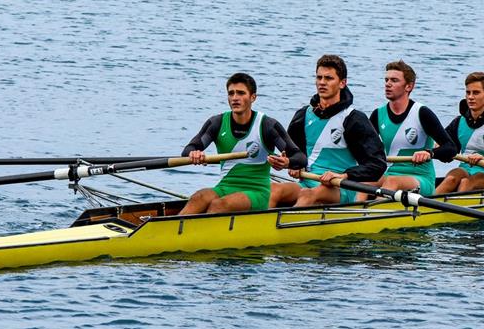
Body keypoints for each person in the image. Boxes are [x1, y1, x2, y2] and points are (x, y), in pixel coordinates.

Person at [179, 72, 307, 214]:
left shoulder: (267, 126)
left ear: (253, 97)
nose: (235, 98)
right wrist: (194, 153)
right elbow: (188, 149)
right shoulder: (217, 123)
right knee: (198, 197)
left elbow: (300, 158)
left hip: (257, 192)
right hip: (225, 187)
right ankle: (175, 233)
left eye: (240, 93)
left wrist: (287, 162)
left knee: (220, 205)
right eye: (231, 93)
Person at [269, 55, 387, 207]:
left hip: (340, 187)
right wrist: (293, 164)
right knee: (273, 189)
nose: (322, 83)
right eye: (319, 77)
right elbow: (296, 155)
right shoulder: (303, 115)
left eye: (329, 78)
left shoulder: (353, 119)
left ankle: (286, 228)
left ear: (342, 83)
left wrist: (343, 175)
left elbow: (377, 164)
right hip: (308, 182)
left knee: (308, 195)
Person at [367, 60, 456, 198]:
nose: (388, 84)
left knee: (391, 182)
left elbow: (451, 148)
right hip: (389, 173)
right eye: (386, 80)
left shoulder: (422, 113)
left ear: (409, 86)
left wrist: (430, 153)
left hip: (420, 178)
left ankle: (371, 216)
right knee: (360, 180)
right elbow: (363, 147)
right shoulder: (378, 114)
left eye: (394, 80)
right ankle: (352, 212)